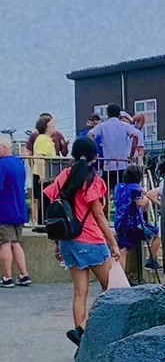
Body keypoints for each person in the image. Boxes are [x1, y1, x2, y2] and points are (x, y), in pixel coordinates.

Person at [44, 136, 120, 345]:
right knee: (111, 288)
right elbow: (99, 215)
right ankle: (87, 328)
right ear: (95, 157)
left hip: (68, 240)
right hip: (91, 240)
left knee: (80, 292)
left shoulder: (63, 176)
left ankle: (82, 336)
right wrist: (113, 243)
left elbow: (56, 208)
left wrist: (58, 244)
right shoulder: (94, 180)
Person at [113, 165, 161, 272]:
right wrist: (146, 198)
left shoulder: (118, 188)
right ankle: (151, 260)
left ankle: (121, 276)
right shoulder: (135, 189)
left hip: (120, 222)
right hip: (135, 223)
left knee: (123, 250)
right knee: (157, 234)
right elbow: (141, 203)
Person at [0, 136, 31, 287]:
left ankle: (7, 277)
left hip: (4, 210)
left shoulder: (2, 165)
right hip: (19, 209)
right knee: (15, 243)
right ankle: (24, 274)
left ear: (4, 148)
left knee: (5, 243)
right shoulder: (19, 163)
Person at [92, 103, 137, 193]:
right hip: (123, 164)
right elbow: (135, 136)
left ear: (107, 114)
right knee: (123, 191)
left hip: (108, 165)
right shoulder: (124, 125)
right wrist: (131, 154)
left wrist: (93, 151)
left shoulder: (102, 126)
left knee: (105, 191)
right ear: (119, 114)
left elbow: (90, 135)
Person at [29, 116, 57, 226]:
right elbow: (39, 157)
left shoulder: (48, 139)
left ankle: (46, 221)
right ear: (45, 127)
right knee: (43, 200)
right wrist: (42, 175)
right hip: (42, 175)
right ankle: (42, 222)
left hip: (48, 174)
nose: (54, 128)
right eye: (52, 126)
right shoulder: (42, 139)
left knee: (47, 200)